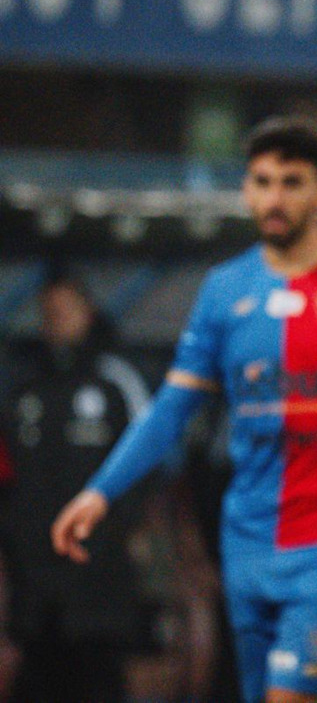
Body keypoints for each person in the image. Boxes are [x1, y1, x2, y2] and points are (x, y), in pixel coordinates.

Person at [50, 117, 317, 703]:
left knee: (290, 694)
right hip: (247, 541)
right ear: (246, 190)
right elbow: (170, 409)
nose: (275, 198)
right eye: (262, 181)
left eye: (292, 182)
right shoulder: (224, 290)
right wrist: (100, 492)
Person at [0, 271, 152, 702]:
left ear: (87, 312)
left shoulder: (115, 379)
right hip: (36, 579)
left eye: (65, 310)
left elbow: (148, 460)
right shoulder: (23, 386)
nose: (57, 320)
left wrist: (121, 528)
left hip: (99, 574)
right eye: (49, 312)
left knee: (98, 680)